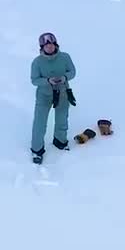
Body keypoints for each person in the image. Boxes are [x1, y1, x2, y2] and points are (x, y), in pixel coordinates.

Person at [30, 32, 77, 164]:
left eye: (51, 44)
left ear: (55, 45)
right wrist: (48, 81)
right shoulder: (37, 62)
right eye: (46, 45)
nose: (49, 47)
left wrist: (64, 78)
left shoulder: (65, 57)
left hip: (62, 93)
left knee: (62, 119)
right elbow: (34, 80)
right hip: (44, 96)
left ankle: (60, 141)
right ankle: (37, 150)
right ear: (42, 47)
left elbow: (72, 71)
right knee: (40, 123)